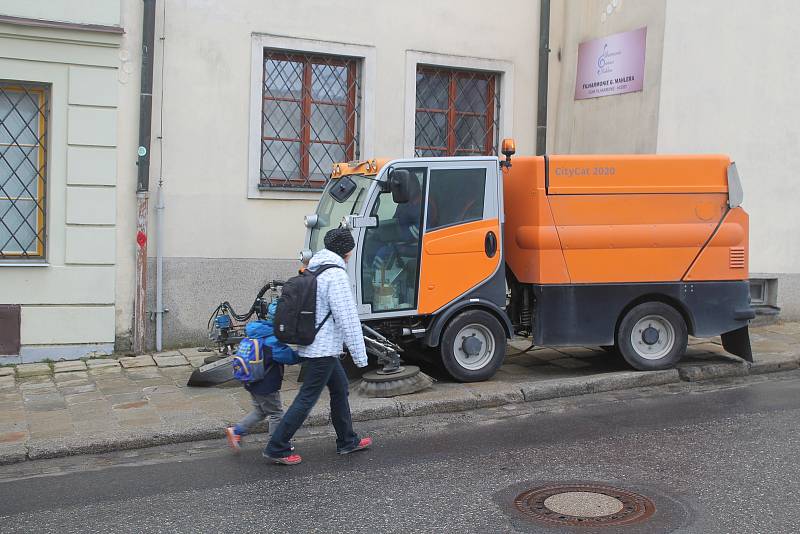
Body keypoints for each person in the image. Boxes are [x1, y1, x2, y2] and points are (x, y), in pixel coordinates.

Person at [264, 228, 372, 465]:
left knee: (340, 388)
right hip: (322, 349)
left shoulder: (315, 268)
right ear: (347, 250)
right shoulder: (336, 275)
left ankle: (347, 441)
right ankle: (277, 446)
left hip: (317, 345)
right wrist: (361, 357)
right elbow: (348, 318)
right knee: (307, 398)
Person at [224, 301, 296, 452]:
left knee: (260, 411)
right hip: (266, 384)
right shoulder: (272, 339)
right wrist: (305, 356)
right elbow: (289, 357)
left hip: (251, 381)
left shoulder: (259, 331)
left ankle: (236, 431)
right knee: (276, 414)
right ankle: (275, 444)